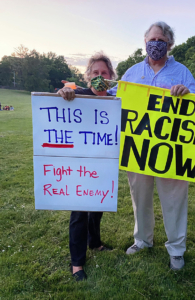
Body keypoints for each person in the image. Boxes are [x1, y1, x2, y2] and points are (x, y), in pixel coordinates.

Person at [108, 21, 195, 271]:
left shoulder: (182, 71)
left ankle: (176, 249)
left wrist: (188, 94)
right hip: (138, 148)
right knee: (140, 197)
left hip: (170, 149)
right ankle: (142, 240)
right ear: (145, 42)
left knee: (174, 199)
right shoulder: (131, 73)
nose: (156, 44)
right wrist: (78, 92)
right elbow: (109, 97)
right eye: (152, 40)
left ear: (169, 44)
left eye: (161, 40)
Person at [58, 52, 116, 281]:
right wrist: (63, 93)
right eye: (95, 73)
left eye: (104, 73)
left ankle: (95, 243)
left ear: (111, 76)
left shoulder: (114, 100)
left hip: (102, 162)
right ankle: (77, 263)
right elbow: (60, 98)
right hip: (78, 166)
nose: (100, 77)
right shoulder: (79, 96)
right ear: (87, 77)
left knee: (97, 205)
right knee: (80, 210)